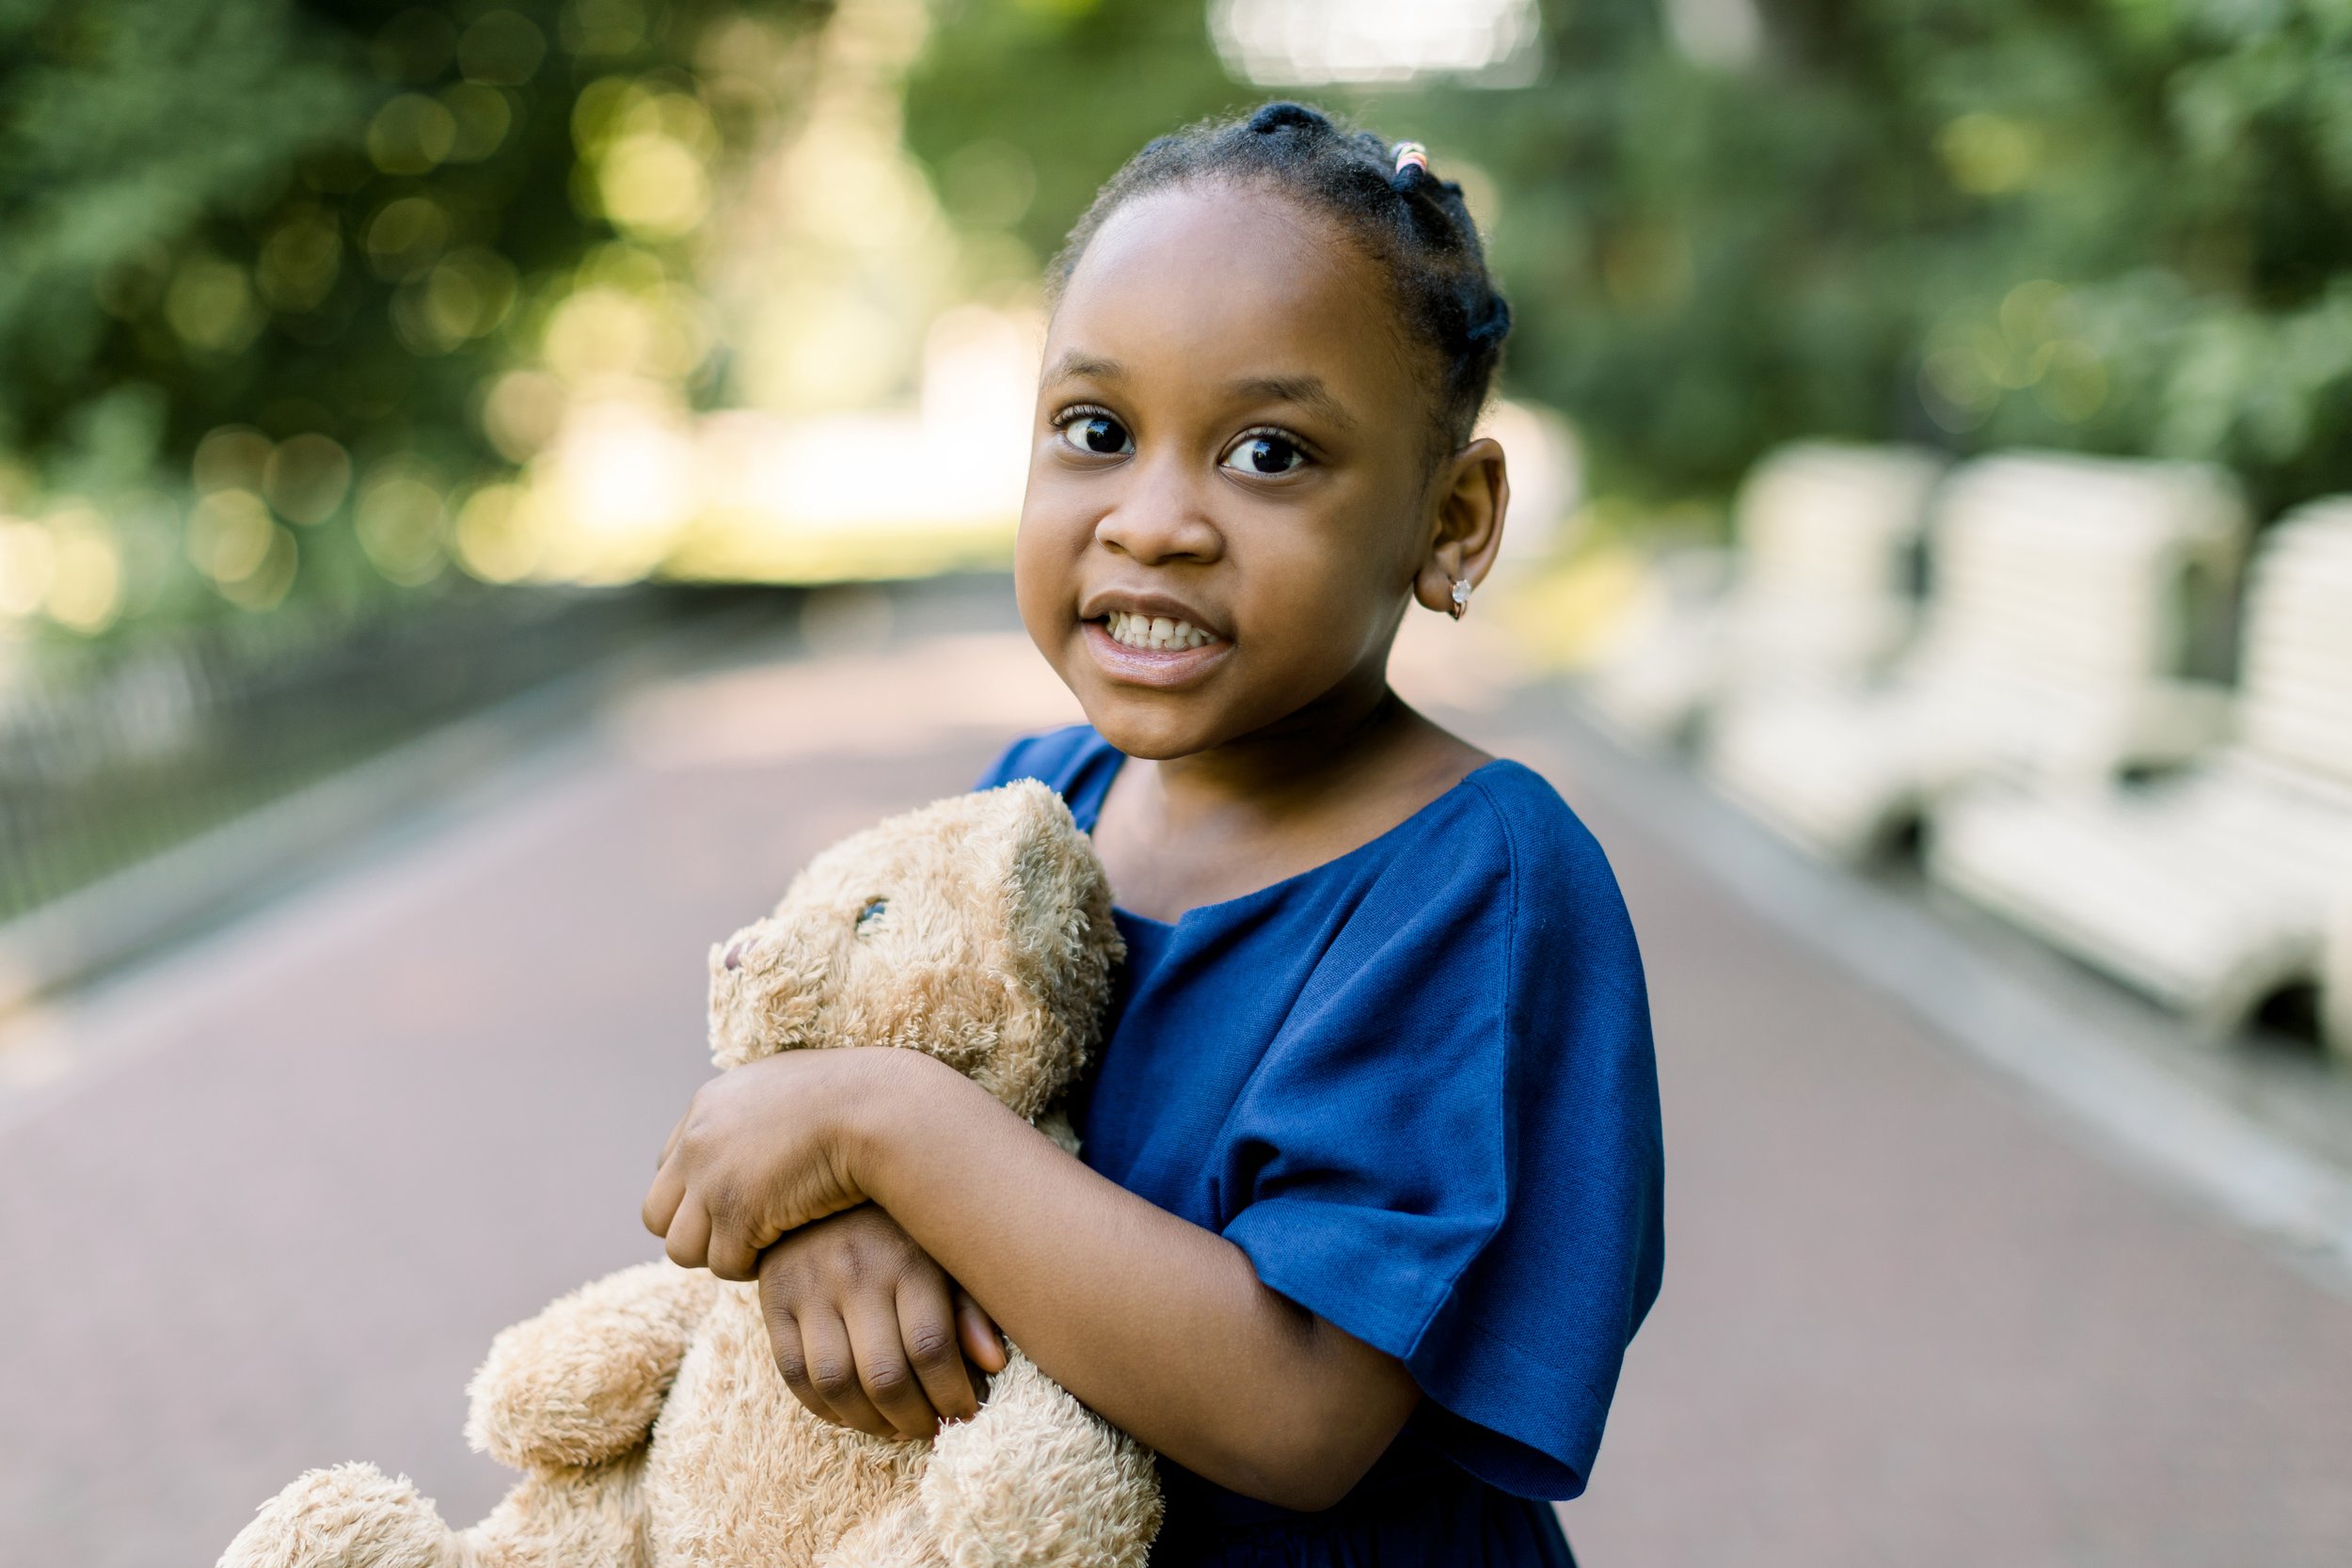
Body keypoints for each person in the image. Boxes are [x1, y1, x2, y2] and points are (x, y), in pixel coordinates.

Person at [643, 101, 1664, 1566]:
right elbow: (800, 1104)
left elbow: (1300, 1410)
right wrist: (834, 1221)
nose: (1154, 521)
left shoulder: (1477, 885)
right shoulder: (1030, 806)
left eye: (1267, 453)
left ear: (1452, 517)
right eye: (1097, 432)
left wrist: (886, 1131)